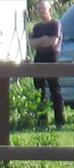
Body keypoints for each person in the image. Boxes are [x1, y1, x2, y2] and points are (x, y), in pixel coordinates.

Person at [29, 0, 65, 128]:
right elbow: (32, 44)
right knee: (40, 90)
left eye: (43, 8)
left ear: (49, 9)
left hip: (52, 57)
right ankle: (42, 121)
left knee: (55, 89)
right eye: (39, 9)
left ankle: (60, 121)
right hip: (39, 57)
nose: (41, 11)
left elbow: (53, 42)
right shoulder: (36, 27)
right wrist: (44, 39)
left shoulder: (55, 24)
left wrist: (41, 41)